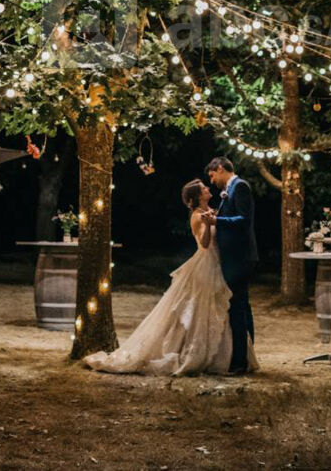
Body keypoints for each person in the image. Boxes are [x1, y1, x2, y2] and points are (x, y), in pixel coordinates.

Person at [83, 179, 256, 375]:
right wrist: (208, 224)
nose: (208, 189)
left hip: (218, 264)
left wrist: (214, 219)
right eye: (204, 189)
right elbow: (205, 244)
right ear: (198, 196)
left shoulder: (213, 210)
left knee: (219, 309)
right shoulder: (197, 216)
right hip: (205, 264)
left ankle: (226, 355)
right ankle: (193, 351)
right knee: (199, 310)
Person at [206, 156, 258, 374]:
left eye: (212, 175)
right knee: (241, 306)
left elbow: (244, 220)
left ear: (219, 168)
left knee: (237, 308)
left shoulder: (240, 186)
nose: (211, 181)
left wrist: (217, 221)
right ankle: (246, 355)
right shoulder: (231, 189)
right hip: (235, 257)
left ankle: (239, 362)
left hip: (240, 257)